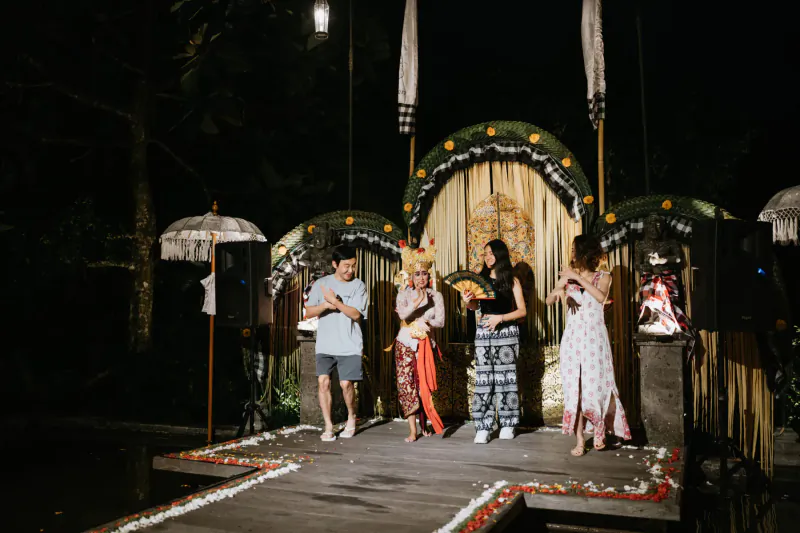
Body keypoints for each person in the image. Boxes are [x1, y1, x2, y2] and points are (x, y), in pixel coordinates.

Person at [546, 235, 631, 456]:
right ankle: (580, 440)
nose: (572, 253)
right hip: (573, 339)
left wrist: (576, 278)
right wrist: (558, 293)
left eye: (575, 249)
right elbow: (549, 297)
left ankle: (601, 431)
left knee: (597, 386)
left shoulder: (604, 276)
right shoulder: (568, 275)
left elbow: (601, 297)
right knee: (576, 387)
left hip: (594, 339)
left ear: (585, 253)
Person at [462, 239, 527, 444]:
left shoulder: (511, 279)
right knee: (484, 380)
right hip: (483, 333)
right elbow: (474, 307)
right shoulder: (480, 279)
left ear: (500, 255)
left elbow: (523, 311)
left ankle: (508, 423)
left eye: (491, 253)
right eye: (485, 254)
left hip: (506, 332)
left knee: (506, 378)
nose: (488, 257)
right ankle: (483, 426)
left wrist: (501, 318)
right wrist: (468, 302)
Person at [305, 245, 368, 442]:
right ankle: (328, 426)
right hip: (325, 344)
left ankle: (351, 416)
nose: (351, 270)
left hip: (349, 344)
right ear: (335, 264)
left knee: (346, 384)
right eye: (346, 266)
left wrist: (337, 302)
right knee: (323, 382)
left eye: (354, 266)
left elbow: (357, 314)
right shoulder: (321, 284)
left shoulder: (359, 285)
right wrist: (325, 305)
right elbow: (308, 312)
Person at [393, 241, 446, 442]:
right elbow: (403, 316)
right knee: (407, 385)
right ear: (411, 276)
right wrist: (417, 302)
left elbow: (440, 321)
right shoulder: (403, 294)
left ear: (428, 275)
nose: (421, 277)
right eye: (417, 274)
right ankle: (413, 430)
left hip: (425, 345)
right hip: (405, 343)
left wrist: (426, 320)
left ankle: (424, 424)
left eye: (424, 273)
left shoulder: (437, 296)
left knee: (422, 384)